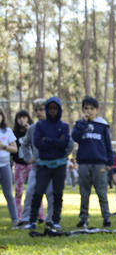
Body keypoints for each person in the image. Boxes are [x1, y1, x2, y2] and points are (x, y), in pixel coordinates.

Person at [26, 97, 70, 232]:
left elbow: (65, 144)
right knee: (37, 192)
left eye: (55, 108)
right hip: (43, 164)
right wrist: (56, 141)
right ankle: (32, 220)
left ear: (59, 110)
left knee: (57, 193)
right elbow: (38, 143)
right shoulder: (40, 126)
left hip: (60, 165)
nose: (52, 111)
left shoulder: (64, 126)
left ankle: (55, 220)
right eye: (50, 108)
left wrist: (48, 140)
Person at [72, 96, 114, 229]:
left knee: (102, 192)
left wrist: (109, 163)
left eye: (91, 109)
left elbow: (108, 145)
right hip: (84, 164)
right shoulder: (79, 124)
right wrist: (83, 123)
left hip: (99, 164)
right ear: (82, 110)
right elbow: (75, 137)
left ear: (97, 110)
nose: (88, 111)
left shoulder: (102, 125)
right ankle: (83, 218)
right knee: (84, 193)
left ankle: (106, 217)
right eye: (86, 109)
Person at [20, 99, 53, 225]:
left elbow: (66, 144)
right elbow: (25, 144)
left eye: (41, 109)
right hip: (36, 168)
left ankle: (50, 220)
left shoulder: (54, 126)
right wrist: (29, 158)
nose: (39, 112)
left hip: (51, 167)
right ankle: (25, 219)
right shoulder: (32, 128)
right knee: (30, 193)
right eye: (36, 110)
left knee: (51, 194)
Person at [12, 110, 33, 222]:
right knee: (18, 191)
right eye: (19, 118)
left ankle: (39, 215)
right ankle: (18, 216)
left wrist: (30, 130)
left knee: (34, 190)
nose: (22, 120)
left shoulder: (32, 130)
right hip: (19, 165)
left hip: (31, 164)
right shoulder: (14, 133)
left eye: (24, 117)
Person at [0, 107, 18, 227]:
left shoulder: (7, 131)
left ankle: (15, 220)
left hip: (5, 165)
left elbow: (15, 149)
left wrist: (4, 147)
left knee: (8, 194)